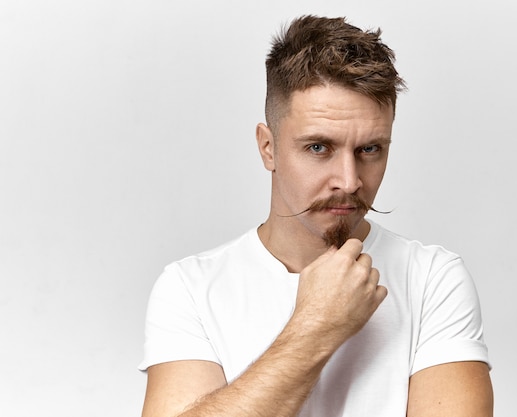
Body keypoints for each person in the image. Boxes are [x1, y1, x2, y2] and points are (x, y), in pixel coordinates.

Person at [139, 15, 493, 417]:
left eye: (370, 149)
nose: (349, 181)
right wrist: (317, 326)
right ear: (268, 148)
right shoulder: (189, 288)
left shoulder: (432, 280)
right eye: (319, 148)